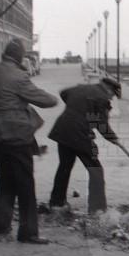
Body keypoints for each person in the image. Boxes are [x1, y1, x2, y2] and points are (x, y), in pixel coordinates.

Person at [0, 38, 58, 244]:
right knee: (25, 184)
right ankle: (28, 232)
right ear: (19, 56)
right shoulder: (18, 76)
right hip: (16, 135)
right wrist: (51, 97)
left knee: (5, 180)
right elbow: (46, 101)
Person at [48, 77, 122, 214]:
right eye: (113, 94)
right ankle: (97, 209)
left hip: (63, 130)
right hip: (80, 134)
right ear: (109, 89)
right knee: (96, 169)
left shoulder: (80, 88)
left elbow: (64, 93)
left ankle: (56, 203)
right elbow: (102, 125)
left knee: (64, 167)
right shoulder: (102, 98)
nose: (112, 98)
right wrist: (114, 139)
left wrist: (76, 108)